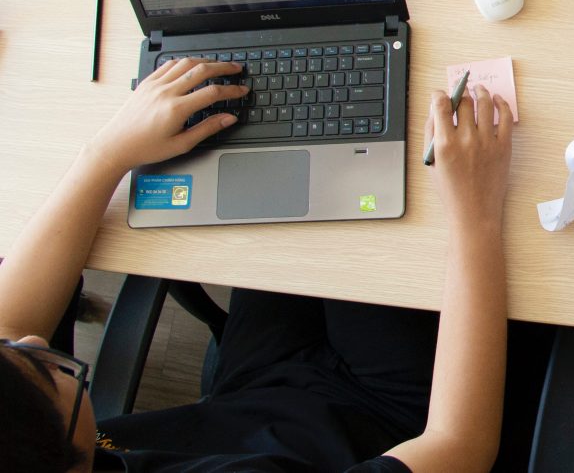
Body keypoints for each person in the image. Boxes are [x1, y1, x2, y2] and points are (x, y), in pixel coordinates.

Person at [0, 56, 514, 472]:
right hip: (386, 416)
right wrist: (477, 214)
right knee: (390, 206)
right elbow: (460, 446)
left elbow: (11, 323)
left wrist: (107, 153)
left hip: (254, 391)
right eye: (52, 374)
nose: (34, 342)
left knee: (320, 174)